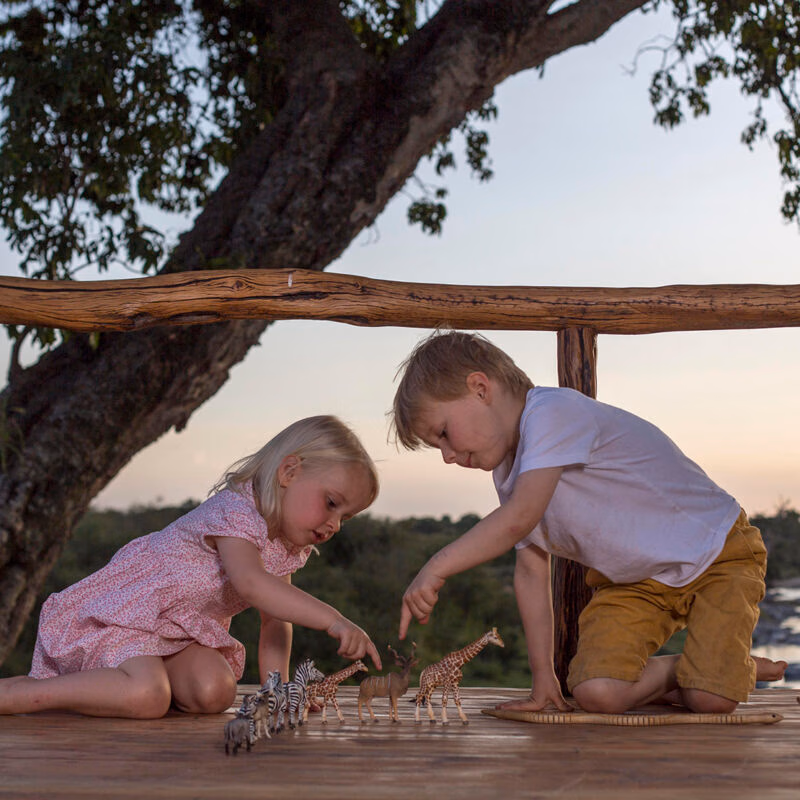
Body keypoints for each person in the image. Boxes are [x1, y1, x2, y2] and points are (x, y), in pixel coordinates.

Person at [392, 330, 786, 715]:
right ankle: (706, 667)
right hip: (635, 584)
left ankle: (718, 674)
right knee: (595, 693)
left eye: (443, 433)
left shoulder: (551, 412)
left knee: (710, 702)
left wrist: (436, 566)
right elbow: (531, 571)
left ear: (480, 388)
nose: (446, 455)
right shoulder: (508, 475)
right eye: (436, 446)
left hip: (716, 553)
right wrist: (544, 676)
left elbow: (518, 520)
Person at [0, 415, 382, 719]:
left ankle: (130, 683)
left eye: (346, 517)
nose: (334, 524)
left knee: (215, 692)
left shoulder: (284, 544)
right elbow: (251, 584)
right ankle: (25, 693)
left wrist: (277, 690)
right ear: (289, 472)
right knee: (148, 697)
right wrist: (332, 619)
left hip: (177, 637)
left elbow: (275, 619)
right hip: (128, 618)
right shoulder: (236, 511)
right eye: (332, 503)